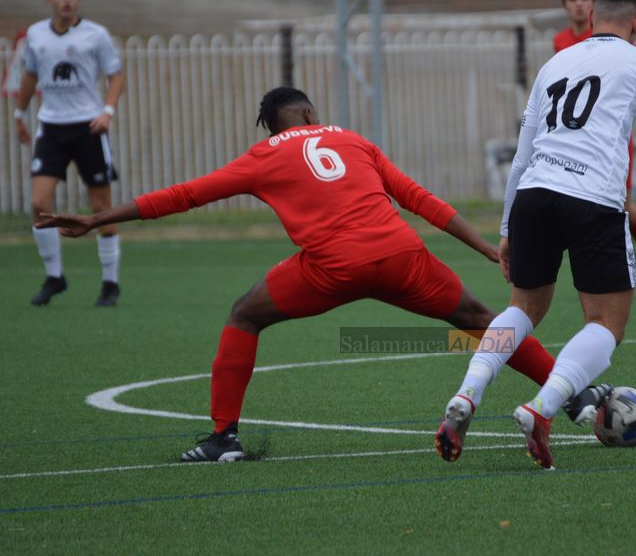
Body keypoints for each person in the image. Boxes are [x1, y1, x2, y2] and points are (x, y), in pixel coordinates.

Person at [37, 86, 600, 463]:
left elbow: (182, 196)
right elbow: (416, 198)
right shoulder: (351, 139)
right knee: (484, 319)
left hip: (332, 267)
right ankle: (570, 399)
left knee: (244, 314)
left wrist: (97, 217)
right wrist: (483, 248)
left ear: (270, 128)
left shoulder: (262, 157)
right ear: (308, 114)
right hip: (402, 256)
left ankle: (223, 438)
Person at [440, 0, 636, 469]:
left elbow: (522, 155)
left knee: (522, 308)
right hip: (592, 199)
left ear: (593, 13)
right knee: (606, 323)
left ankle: (466, 395)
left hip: (534, 195)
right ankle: (541, 408)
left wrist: (505, 227)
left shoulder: (555, 63)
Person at [15, 0, 125, 307]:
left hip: (88, 128)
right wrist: (19, 114)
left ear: (79, 0)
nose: (67, 0)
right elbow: (31, 75)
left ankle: (110, 282)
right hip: (51, 127)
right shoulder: (35, 35)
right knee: (39, 203)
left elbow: (115, 75)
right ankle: (55, 276)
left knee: (101, 208)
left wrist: (107, 111)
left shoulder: (96, 35)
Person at [554, 0, 636, 280]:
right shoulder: (560, 42)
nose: (579, 4)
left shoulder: (612, 37)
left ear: (594, 7)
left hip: (612, 136)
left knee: (620, 203)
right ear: (565, 6)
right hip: (575, 136)